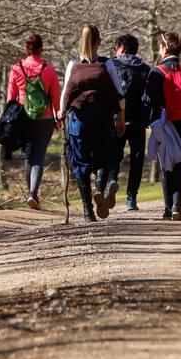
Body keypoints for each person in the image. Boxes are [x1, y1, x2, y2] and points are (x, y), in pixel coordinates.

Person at [60, 24, 125, 221]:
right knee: (103, 159)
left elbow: (65, 94)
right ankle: (99, 188)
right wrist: (121, 118)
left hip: (77, 122)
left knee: (80, 164)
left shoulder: (73, 65)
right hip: (103, 121)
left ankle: (88, 211)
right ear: (99, 41)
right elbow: (119, 95)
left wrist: (60, 114)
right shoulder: (107, 64)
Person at [143, 31, 181, 221]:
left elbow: (146, 100)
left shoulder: (156, 72)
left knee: (166, 165)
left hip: (165, 125)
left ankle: (168, 209)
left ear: (164, 48)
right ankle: (178, 207)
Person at [7, 32, 61, 210]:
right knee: (39, 155)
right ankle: (33, 193)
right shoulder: (49, 69)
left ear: (26, 48)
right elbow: (56, 97)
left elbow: (11, 99)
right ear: (41, 48)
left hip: (24, 117)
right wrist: (58, 117)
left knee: (28, 155)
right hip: (45, 117)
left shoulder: (16, 69)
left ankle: (31, 193)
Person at [107, 34, 151, 211]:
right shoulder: (145, 69)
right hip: (138, 121)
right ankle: (131, 198)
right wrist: (147, 117)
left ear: (122, 48)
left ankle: (112, 180)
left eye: (115, 48)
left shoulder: (111, 66)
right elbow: (148, 97)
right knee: (137, 158)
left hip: (116, 119)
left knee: (113, 154)